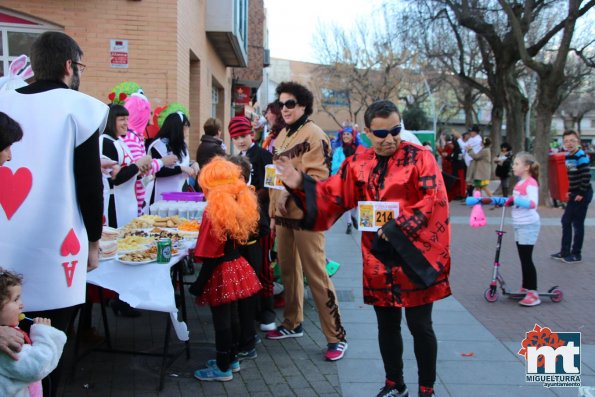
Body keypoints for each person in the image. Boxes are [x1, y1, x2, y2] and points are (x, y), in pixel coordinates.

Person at [275, 100, 450, 397]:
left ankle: (427, 389)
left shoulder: (421, 158)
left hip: (415, 257)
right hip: (378, 259)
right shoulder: (358, 162)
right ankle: (395, 384)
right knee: (387, 325)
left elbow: (433, 200)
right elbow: (332, 195)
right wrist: (301, 184)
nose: (390, 138)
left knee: (421, 326)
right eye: (381, 133)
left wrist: (396, 228)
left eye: (396, 130)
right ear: (367, 132)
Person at [0, 31, 109, 397]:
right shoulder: (79, 108)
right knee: (48, 348)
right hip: (57, 250)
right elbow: (90, 185)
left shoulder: (3, 99)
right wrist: (94, 241)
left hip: (5, 244)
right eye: (80, 66)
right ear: (69, 66)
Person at [265, 81, 347, 363]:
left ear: (302, 106)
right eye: (281, 104)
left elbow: (320, 178)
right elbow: (276, 178)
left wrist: (289, 191)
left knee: (317, 276)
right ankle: (292, 322)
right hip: (284, 218)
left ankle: (336, 336)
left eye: (290, 104)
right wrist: (273, 215)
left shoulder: (315, 135)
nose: (284, 109)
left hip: (308, 216)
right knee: (287, 271)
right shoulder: (282, 136)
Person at [190, 157, 262, 382]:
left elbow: (211, 254)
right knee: (232, 317)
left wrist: (198, 285)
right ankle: (232, 359)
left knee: (222, 320)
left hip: (221, 269)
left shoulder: (215, 212)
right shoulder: (238, 203)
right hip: (235, 265)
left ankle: (223, 368)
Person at [228, 116, 276, 333]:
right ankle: (250, 311)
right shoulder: (235, 158)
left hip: (261, 221)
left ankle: (267, 312)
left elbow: (272, 187)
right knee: (245, 268)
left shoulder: (265, 155)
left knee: (263, 268)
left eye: (243, 136)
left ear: (252, 134)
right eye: (236, 137)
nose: (240, 140)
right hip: (240, 224)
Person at [0, 268, 67, 397]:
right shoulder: (7, 345)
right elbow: (37, 367)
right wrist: (45, 335)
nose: (21, 305)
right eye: (15, 300)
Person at [122, 94, 177, 215]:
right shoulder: (131, 137)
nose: (149, 118)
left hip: (135, 200)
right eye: (148, 113)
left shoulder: (134, 136)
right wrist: (163, 161)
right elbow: (141, 169)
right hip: (132, 201)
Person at [101, 104, 152, 228]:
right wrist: (138, 165)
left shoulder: (119, 141)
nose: (126, 123)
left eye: (127, 119)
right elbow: (116, 179)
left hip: (127, 201)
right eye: (122, 119)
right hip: (115, 204)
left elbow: (127, 169)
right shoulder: (105, 142)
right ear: (110, 121)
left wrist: (140, 170)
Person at [551, 130, 593, 263]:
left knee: (577, 224)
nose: (568, 143)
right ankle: (564, 252)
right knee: (566, 221)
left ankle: (576, 254)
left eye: (572, 141)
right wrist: (570, 190)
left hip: (583, 193)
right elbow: (572, 175)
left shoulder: (581, 155)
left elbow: (586, 176)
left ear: (578, 142)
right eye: (566, 141)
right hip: (575, 192)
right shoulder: (569, 156)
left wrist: (580, 193)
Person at [505, 153, 541, 306]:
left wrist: (516, 200)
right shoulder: (519, 183)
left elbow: (533, 203)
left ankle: (533, 292)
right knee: (522, 257)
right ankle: (526, 287)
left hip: (528, 224)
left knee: (527, 258)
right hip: (519, 223)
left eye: (517, 164)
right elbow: (519, 202)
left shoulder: (531, 183)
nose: (513, 166)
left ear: (526, 167)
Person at [147, 112, 198, 205]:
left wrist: (193, 164)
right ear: (177, 127)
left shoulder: (181, 144)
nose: (187, 129)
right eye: (185, 126)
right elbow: (157, 171)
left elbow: (182, 163)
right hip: (162, 196)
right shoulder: (158, 145)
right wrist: (181, 169)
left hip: (181, 193)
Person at [331, 126, 364, 234]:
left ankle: (354, 216)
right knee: (346, 200)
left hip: (357, 178)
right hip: (344, 178)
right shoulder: (339, 150)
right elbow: (335, 165)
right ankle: (349, 222)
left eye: (348, 134)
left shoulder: (359, 150)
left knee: (358, 200)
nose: (345, 136)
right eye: (344, 134)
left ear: (353, 136)